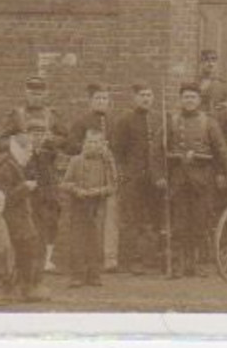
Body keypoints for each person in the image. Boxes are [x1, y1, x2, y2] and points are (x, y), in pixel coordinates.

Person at [164, 84, 227, 278]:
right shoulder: (171, 121)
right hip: (178, 179)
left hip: (202, 180)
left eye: (193, 97)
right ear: (180, 99)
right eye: (186, 97)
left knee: (199, 223)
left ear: (199, 100)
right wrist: (161, 176)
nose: (189, 101)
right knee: (179, 224)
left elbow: (221, 149)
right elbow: (158, 151)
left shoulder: (209, 122)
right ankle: (176, 265)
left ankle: (194, 264)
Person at [0, 75, 65, 274]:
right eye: (32, 93)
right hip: (24, 172)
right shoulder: (16, 115)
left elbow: (66, 138)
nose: (36, 97)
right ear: (25, 93)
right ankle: (25, 258)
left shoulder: (52, 115)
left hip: (47, 172)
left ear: (45, 94)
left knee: (51, 214)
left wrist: (51, 141)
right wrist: (19, 141)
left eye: (40, 93)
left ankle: (47, 259)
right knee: (28, 213)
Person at [111, 84, 164, 275]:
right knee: (130, 219)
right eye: (142, 95)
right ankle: (128, 262)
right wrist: (122, 173)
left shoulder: (160, 119)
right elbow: (117, 151)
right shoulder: (125, 120)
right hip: (133, 177)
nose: (146, 99)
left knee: (152, 219)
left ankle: (149, 260)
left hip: (155, 178)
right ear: (135, 97)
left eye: (149, 95)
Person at [66, 84, 118, 272]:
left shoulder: (113, 122)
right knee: (87, 223)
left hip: (107, 174)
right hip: (87, 176)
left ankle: (108, 258)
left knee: (108, 218)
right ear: (90, 101)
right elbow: (70, 145)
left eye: (105, 99)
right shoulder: (81, 121)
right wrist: (91, 147)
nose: (102, 102)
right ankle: (85, 263)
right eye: (98, 99)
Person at [0, 123, 47, 301]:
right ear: (19, 149)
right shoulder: (6, 168)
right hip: (13, 219)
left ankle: (24, 287)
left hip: (22, 218)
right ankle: (17, 288)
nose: (31, 153)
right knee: (22, 252)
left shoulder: (17, 165)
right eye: (28, 149)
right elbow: (4, 198)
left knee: (28, 250)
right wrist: (25, 187)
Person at [61, 124, 117, 287]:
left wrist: (98, 191)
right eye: (90, 142)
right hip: (78, 205)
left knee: (95, 240)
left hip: (97, 206)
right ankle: (77, 275)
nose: (93, 145)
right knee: (77, 239)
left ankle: (94, 274)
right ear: (84, 143)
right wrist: (77, 190)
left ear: (102, 145)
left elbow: (112, 186)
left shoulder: (106, 163)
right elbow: (65, 183)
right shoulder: (75, 161)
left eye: (97, 142)